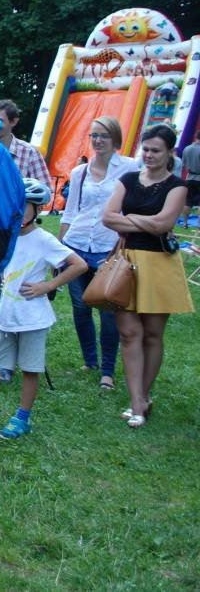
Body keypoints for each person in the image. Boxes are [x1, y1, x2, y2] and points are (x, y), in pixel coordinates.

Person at [101, 124, 192, 428]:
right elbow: (107, 217)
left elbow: (163, 224)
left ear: (170, 153)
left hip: (160, 265)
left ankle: (141, 397)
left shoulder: (178, 186)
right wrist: (146, 221)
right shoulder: (127, 179)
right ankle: (138, 401)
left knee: (153, 334)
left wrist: (128, 220)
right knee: (129, 332)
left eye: (156, 150)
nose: (149, 155)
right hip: (125, 263)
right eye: (146, 149)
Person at [0, 181, 86, 439]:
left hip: (32, 319)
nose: (17, 211)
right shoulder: (6, 236)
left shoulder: (44, 240)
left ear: (37, 209)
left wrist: (48, 285)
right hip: (5, 316)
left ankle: (22, 418)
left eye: (24, 206)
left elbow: (79, 265)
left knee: (30, 369)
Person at [58, 116, 137, 390]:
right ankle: (89, 361)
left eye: (103, 135)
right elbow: (70, 211)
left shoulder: (129, 168)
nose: (97, 141)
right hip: (78, 244)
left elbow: (135, 204)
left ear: (115, 139)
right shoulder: (80, 172)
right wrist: (60, 248)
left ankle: (107, 371)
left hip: (108, 247)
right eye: (93, 136)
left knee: (107, 310)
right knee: (80, 308)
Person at [0, 99, 54, 366]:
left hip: (17, 234)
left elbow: (45, 190)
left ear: (13, 122)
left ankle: (15, 356)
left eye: (0, 120)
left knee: (12, 292)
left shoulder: (28, 153)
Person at [181, 130, 200, 224]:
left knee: (188, 202)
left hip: (189, 178)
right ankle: (199, 224)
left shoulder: (187, 148)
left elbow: (184, 164)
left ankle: (185, 222)